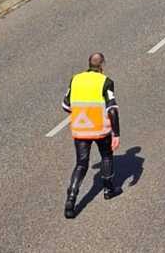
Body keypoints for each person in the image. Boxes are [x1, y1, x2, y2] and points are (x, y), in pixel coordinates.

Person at [63, 53, 121, 218]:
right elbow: (112, 109)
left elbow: (66, 105)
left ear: (89, 64)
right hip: (100, 129)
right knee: (106, 156)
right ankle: (108, 189)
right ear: (102, 66)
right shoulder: (106, 82)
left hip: (80, 129)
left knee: (81, 164)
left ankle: (71, 196)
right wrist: (116, 133)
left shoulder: (76, 79)